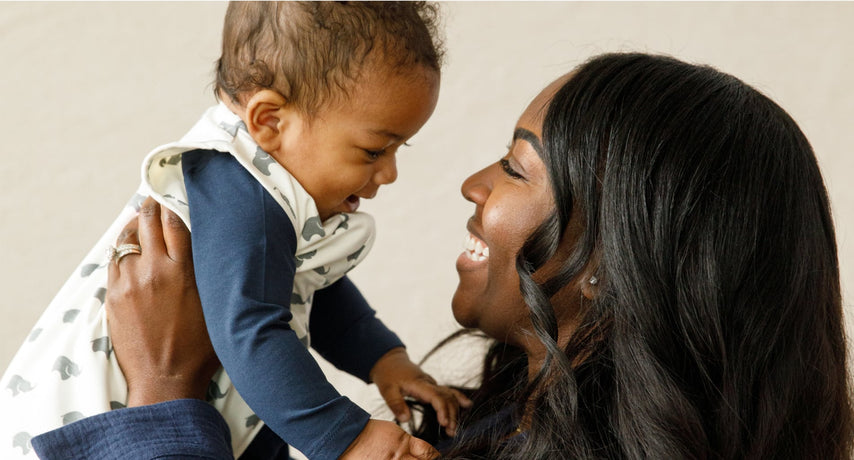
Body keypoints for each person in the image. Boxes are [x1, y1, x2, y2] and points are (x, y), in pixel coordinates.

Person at [31, 52, 854, 459]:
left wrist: (162, 398)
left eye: (515, 167)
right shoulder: (488, 426)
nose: (469, 184)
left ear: (611, 262)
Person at [0, 3, 468, 459]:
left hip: (207, 405)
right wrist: (346, 438)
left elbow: (304, 286)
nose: (389, 174)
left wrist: (382, 357)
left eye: (397, 150)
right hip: (102, 429)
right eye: (373, 151)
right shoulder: (239, 188)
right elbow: (252, 332)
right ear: (269, 122)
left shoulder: (268, 189)